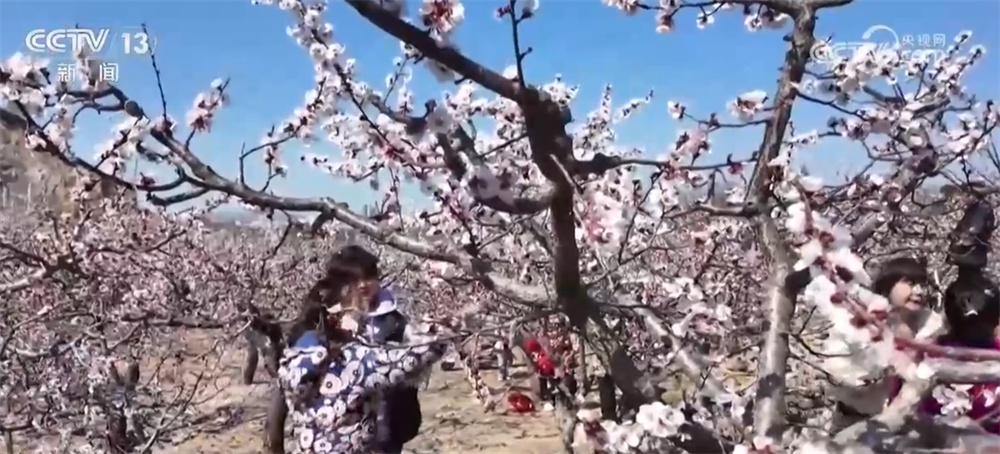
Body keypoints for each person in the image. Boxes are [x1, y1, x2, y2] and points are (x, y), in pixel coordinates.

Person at [279, 251, 449, 454]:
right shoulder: (352, 360)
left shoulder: (298, 350)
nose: (361, 287)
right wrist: (447, 330)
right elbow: (408, 360)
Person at [826, 256, 938, 432]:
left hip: (910, 424)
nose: (919, 291)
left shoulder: (932, 324)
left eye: (922, 284)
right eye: (910, 283)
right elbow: (835, 373)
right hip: (857, 422)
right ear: (888, 285)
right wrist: (872, 373)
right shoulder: (856, 322)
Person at [886, 270, 1000, 433]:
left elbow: (895, 410)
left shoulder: (921, 354)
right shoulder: (922, 353)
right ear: (996, 320)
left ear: (946, 318)